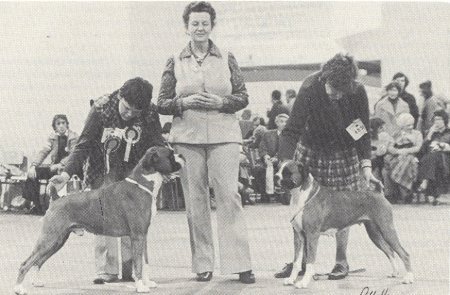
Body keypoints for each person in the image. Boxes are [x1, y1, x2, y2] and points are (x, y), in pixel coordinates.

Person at [156, 1, 254, 284]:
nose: (200, 28)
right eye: (194, 23)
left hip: (224, 135)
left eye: (205, 23)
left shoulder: (227, 57)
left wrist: (223, 102)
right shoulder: (174, 60)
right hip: (187, 138)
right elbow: (161, 103)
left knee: (229, 197)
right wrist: (183, 102)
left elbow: (243, 96)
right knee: (195, 201)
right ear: (186, 27)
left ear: (212, 26)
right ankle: (203, 264)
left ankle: (240, 263)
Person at [275, 53, 381, 280]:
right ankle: (300, 263)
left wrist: (366, 165)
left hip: (343, 151)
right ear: (324, 78)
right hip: (311, 149)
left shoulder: (358, 91)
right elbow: (292, 129)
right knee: (301, 210)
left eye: (343, 92)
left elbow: (361, 129)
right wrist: (285, 160)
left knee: (343, 208)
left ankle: (341, 261)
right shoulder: (310, 87)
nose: (338, 96)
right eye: (333, 89)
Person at [49, 77, 165, 284]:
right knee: (103, 215)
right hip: (102, 167)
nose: (129, 115)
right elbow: (83, 145)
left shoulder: (150, 111)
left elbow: (156, 143)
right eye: (127, 108)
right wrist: (66, 175)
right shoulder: (101, 109)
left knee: (136, 220)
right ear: (120, 96)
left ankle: (134, 269)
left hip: (135, 172)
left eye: (135, 113)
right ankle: (107, 269)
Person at [22, 114, 78, 214]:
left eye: (63, 123)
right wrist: (33, 166)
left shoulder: (73, 136)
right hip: (54, 168)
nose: (61, 126)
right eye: (58, 124)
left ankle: (54, 208)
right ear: (55, 127)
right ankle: (37, 205)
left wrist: (60, 164)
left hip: (69, 168)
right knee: (33, 174)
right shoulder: (52, 137)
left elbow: (73, 154)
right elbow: (43, 152)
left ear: (67, 124)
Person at [383, 113, 423, 203]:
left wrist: (406, 151)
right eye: (408, 125)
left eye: (412, 124)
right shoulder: (396, 134)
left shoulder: (417, 134)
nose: (411, 127)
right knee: (391, 163)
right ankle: (392, 194)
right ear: (402, 126)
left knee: (408, 162)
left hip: (412, 155)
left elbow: (418, 147)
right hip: (398, 155)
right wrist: (398, 152)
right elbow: (389, 147)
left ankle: (406, 193)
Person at [253, 113, 289, 202]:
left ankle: (283, 194)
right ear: (276, 122)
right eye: (281, 121)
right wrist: (265, 156)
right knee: (258, 169)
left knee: (286, 169)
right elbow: (262, 147)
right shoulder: (268, 134)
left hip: (283, 161)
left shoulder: (290, 137)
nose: (284, 124)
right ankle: (264, 195)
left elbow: (289, 151)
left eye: (286, 122)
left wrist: (278, 158)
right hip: (268, 161)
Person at [417, 110, 450, 204]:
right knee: (431, 157)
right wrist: (429, 135)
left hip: (446, 159)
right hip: (432, 160)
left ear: (445, 120)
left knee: (433, 156)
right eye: (435, 120)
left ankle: (425, 182)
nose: (437, 122)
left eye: (439, 119)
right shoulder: (431, 132)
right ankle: (433, 195)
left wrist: (443, 146)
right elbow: (422, 151)